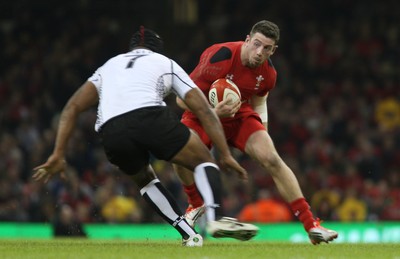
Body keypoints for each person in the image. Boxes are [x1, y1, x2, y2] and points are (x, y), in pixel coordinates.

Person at [32, 26, 253, 247]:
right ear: (157, 49)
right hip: (149, 116)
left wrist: (58, 153)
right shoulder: (164, 62)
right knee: (203, 160)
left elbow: (71, 108)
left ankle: (189, 235)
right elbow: (203, 109)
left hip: (111, 131)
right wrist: (224, 153)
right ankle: (216, 219)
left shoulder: (108, 66)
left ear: (132, 47)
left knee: (145, 181)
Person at [173, 20, 339, 244]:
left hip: (239, 115)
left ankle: (312, 226)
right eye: (257, 44)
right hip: (202, 112)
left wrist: (263, 132)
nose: (261, 52)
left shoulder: (268, 73)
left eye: (267, 48)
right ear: (248, 40)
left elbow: (260, 103)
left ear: (274, 50)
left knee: (272, 159)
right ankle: (196, 204)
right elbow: (180, 99)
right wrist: (212, 112)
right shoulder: (219, 57)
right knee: (178, 149)